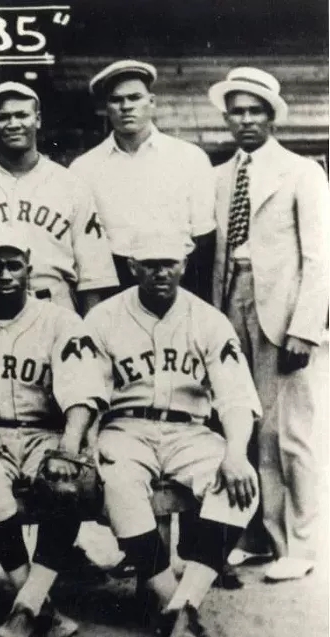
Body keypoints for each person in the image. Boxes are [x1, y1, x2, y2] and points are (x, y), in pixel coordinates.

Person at [85, 234, 262, 636]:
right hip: (126, 426)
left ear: (184, 263)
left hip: (190, 431)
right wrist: (89, 439)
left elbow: (236, 398)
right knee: (118, 483)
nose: (160, 271)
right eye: (149, 263)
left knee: (240, 483)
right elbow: (86, 390)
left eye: (168, 262)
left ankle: (184, 603)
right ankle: (173, 601)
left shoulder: (209, 320)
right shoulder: (103, 318)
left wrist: (235, 453)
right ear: (132, 266)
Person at [0, 225, 105, 637]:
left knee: (64, 485)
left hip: (42, 432)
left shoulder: (60, 321)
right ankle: (37, 604)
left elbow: (82, 388)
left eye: (14, 265)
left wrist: (69, 447)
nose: (5, 275)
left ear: (29, 269)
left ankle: (26, 608)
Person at [208, 67, 328, 582]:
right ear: (227, 117)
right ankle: (256, 535)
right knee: (245, 424)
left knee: (292, 432)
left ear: (273, 116)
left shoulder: (302, 171)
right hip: (230, 298)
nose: (246, 119)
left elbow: (321, 257)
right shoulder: (218, 175)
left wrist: (306, 327)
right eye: (237, 110)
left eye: (256, 110)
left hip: (283, 309)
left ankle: (301, 544)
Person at [0, 82, 118, 320]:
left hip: (54, 306)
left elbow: (93, 272)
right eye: (3, 117)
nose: (13, 124)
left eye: (21, 115)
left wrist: (88, 331)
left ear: (37, 119)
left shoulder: (71, 185)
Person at [70, 60, 217, 298]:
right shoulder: (84, 169)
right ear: (106, 107)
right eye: (117, 100)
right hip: (116, 285)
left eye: (135, 97)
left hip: (178, 283)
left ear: (152, 102)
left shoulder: (189, 158)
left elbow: (203, 238)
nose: (126, 106)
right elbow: (85, 248)